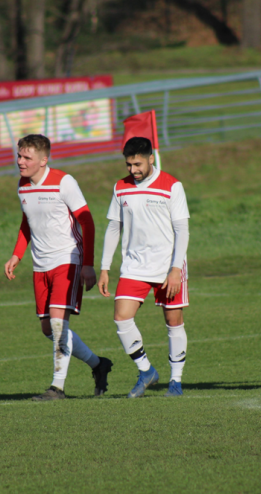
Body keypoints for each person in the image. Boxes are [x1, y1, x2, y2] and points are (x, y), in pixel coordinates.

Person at [4, 134, 112, 401]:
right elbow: (27, 221)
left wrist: (88, 264)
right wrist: (17, 254)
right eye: (19, 156)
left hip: (68, 259)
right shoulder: (23, 185)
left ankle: (57, 388)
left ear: (44, 160)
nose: (20, 162)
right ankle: (99, 365)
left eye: (27, 157)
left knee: (57, 322)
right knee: (47, 329)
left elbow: (87, 223)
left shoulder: (65, 182)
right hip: (40, 266)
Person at [97, 137, 190, 398]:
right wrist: (105, 268)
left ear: (151, 158)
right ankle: (146, 370)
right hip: (134, 266)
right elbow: (114, 227)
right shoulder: (120, 187)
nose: (132, 169)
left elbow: (182, 230)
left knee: (174, 321)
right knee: (121, 316)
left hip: (167, 266)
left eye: (137, 163)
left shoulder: (172, 185)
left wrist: (175, 269)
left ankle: (176, 381)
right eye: (128, 164)